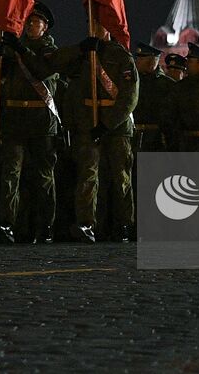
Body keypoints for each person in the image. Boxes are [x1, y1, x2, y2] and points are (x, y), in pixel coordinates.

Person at [61, 22, 139, 243]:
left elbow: (129, 98)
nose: (95, 30)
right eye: (92, 25)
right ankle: (86, 223)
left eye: (100, 25)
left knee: (121, 178)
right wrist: (80, 49)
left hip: (116, 127)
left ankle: (124, 224)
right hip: (89, 124)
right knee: (87, 176)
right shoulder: (85, 54)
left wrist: (107, 123)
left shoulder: (122, 57)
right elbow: (56, 64)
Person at [0, 3, 63, 244]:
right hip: (14, 120)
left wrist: (19, 49)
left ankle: (45, 226)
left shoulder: (50, 51)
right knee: (11, 174)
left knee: (43, 177)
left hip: (41, 122)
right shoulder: (13, 51)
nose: (31, 25)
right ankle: (7, 224)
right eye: (28, 21)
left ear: (45, 27)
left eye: (36, 22)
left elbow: (42, 71)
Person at [132, 42, 177, 151]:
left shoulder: (168, 85)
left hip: (156, 141)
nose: (136, 61)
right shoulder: (133, 82)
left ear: (152, 61)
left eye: (141, 58)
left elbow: (173, 118)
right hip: (133, 137)